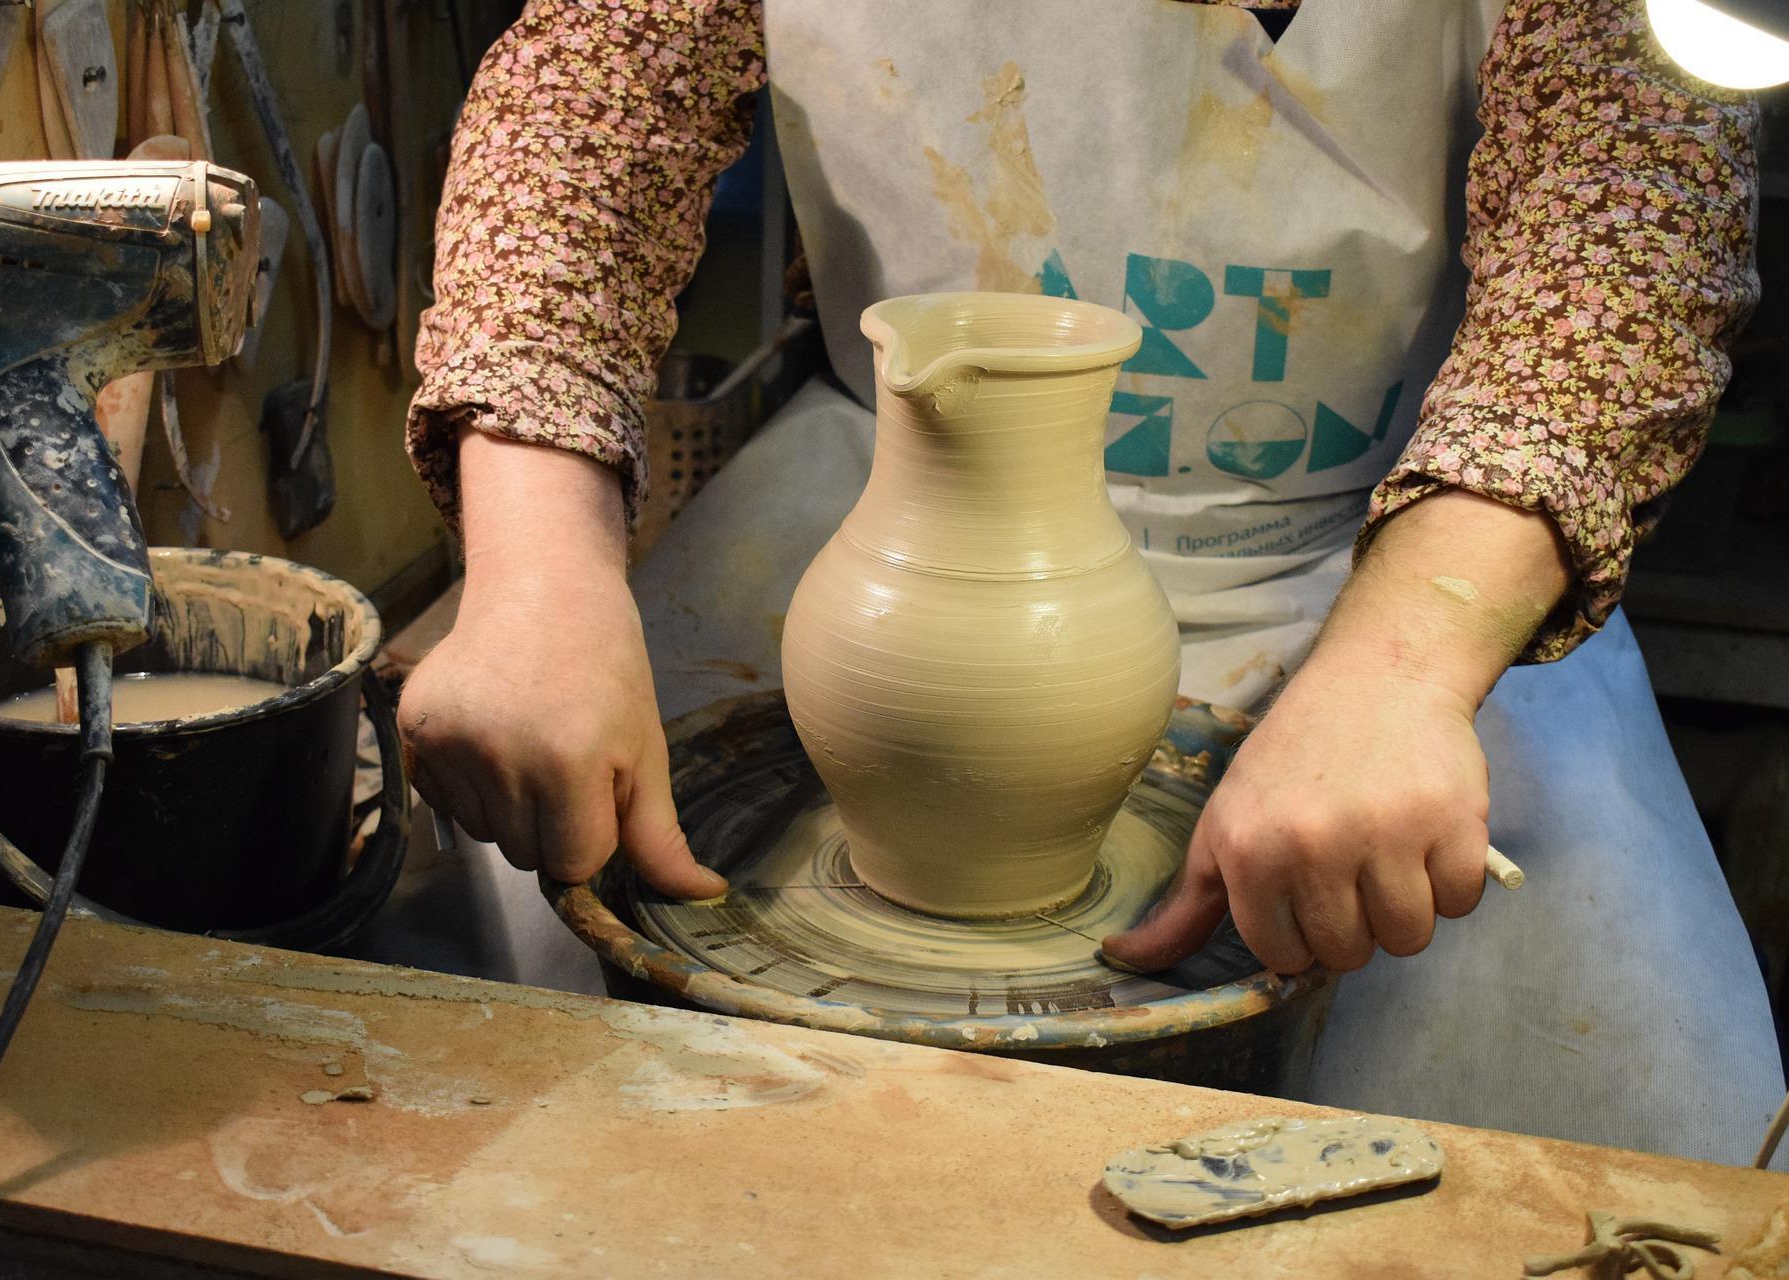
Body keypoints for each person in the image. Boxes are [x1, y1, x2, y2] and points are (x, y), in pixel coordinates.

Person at [396, 0, 1784, 1161]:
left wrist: (1405, 669)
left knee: (1608, 1109)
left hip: (1411, 541)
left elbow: (1628, 236)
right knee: (552, 1060)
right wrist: (536, 575)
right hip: (889, 505)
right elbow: (576, 127)